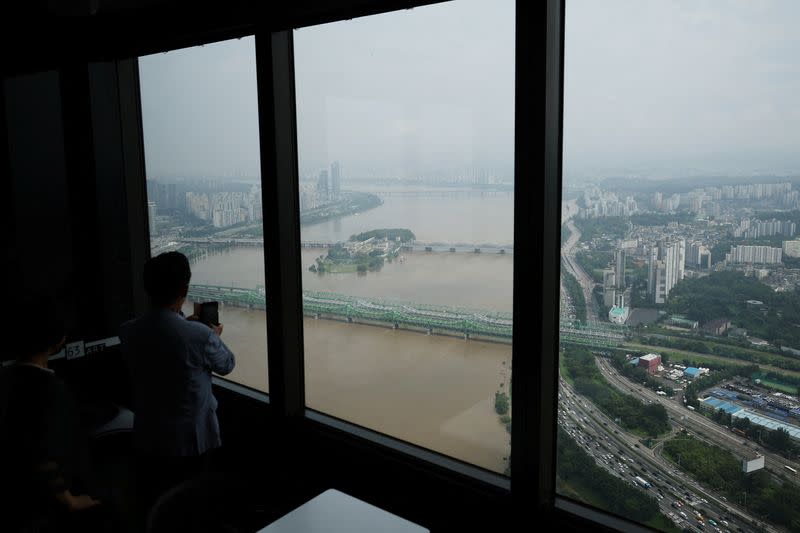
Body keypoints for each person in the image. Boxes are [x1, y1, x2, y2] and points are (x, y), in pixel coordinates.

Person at [119, 251, 235, 520]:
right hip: (190, 442)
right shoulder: (199, 335)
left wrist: (188, 326)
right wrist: (212, 335)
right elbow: (227, 364)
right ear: (185, 288)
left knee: (158, 505)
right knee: (191, 508)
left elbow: (163, 345)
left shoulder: (128, 331)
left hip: (148, 437)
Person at [0, 298, 113, 532]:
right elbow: (43, 455)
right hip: (47, 511)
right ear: (58, 340)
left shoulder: (8, 379)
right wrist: (71, 501)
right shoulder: (50, 390)